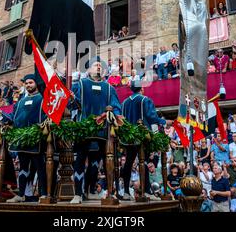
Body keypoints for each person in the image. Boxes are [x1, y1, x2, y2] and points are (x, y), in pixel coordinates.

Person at [69, 57, 122, 204]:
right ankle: (78, 194)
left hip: (103, 130)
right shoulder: (79, 84)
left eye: (100, 65)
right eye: (95, 65)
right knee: (80, 160)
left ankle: (91, 190)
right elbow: (71, 105)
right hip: (83, 128)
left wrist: (115, 115)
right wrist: (72, 100)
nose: (98, 67)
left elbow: (116, 106)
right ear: (89, 69)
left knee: (96, 162)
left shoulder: (110, 88)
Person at [0, 74, 49, 203]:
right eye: (26, 83)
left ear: (36, 84)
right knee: (23, 168)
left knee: (40, 167)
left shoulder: (43, 98)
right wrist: (1, 113)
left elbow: (48, 116)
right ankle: (21, 194)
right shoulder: (19, 103)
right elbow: (12, 119)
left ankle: (44, 195)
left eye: (31, 82)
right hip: (21, 139)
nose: (28, 85)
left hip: (37, 138)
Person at [121, 80, 172, 201]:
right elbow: (152, 117)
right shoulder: (145, 99)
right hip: (143, 137)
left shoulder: (124, 103)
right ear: (141, 89)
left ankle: (126, 192)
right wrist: (165, 122)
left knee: (128, 163)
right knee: (143, 161)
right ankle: (147, 191)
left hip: (128, 138)